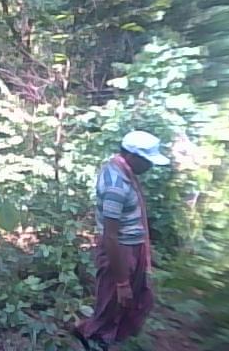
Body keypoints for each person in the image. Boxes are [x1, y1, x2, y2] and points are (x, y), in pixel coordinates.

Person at [72, 130, 170, 350]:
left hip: (131, 247)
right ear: (132, 157)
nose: (150, 167)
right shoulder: (116, 185)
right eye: (147, 161)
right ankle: (93, 338)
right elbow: (110, 235)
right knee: (112, 303)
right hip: (120, 250)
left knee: (137, 300)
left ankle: (110, 338)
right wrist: (122, 281)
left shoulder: (123, 172)